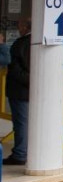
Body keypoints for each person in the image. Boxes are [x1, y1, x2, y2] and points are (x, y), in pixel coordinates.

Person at [4, 19, 31, 165]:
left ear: (25, 27)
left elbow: (14, 68)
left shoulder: (21, 44)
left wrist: (29, 81)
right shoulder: (38, 43)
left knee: (21, 122)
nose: (18, 28)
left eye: (19, 25)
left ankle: (20, 154)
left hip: (20, 90)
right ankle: (24, 152)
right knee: (26, 122)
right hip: (32, 90)